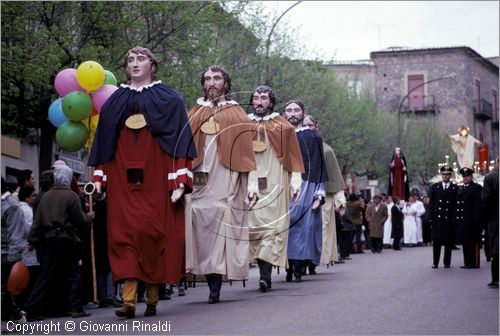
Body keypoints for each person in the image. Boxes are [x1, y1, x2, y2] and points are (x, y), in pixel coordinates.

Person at [88, 46, 196, 318]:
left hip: (158, 180)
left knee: (154, 237)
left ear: (153, 65)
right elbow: (105, 143)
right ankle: (127, 301)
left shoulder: (170, 99)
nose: (135, 64)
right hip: (123, 183)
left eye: (141, 59)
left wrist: (180, 182)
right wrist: (100, 178)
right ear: (126, 67)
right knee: (124, 238)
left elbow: (179, 143)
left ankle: (152, 298)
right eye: (130, 60)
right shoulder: (114, 101)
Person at [185, 65, 257, 303]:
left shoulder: (237, 114)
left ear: (226, 83)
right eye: (207, 79)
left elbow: (248, 156)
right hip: (199, 179)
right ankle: (207, 275)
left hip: (226, 180)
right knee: (200, 225)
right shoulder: (193, 113)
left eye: (217, 78)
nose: (212, 82)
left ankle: (215, 287)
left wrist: (250, 186)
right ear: (203, 84)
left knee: (219, 225)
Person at [247, 85, 304, 291]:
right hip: (250, 184)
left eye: (263, 98)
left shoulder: (283, 127)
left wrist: (295, 182)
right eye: (256, 98)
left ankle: (265, 275)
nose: (259, 101)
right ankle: (261, 266)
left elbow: (294, 158)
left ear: (271, 102)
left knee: (272, 230)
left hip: (276, 183)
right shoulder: (243, 124)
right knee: (253, 229)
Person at [25, 165, 94, 321]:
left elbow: (37, 222)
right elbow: (79, 220)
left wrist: (32, 241)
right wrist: (89, 217)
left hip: (49, 239)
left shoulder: (45, 197)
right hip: (65, 238)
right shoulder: (71, 196)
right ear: (69, 178)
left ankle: (32, 308)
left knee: (45, 274)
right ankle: (75, 308)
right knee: (73, 273)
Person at [283, 100, 328, 282]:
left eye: (296, 110)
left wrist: (319, 192)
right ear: (284, 113)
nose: (293, 113)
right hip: (282, 185)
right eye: (289, 110)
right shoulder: (278, 134)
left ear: (303, 113)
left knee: (303, 227)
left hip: (306, 184)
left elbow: (320, 166)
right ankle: (288, 265)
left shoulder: (313, 137)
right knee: (285, 227)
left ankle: (299, 267)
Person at [303, 115, 346, 269]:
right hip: (301, 192)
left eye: (310, 125)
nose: (308, 128)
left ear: (316, 127)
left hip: (324, 194)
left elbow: (334, 177)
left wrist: (339, 200)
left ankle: (317, 258)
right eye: (305, 125)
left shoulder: (327, 150)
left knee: (321, 226)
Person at [1, 178, 27, 324]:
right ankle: (17, 315)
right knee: (3, 290)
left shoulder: (10, 205)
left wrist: (13, 258)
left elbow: (16, 233)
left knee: (2, 289)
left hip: (5, 253)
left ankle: (17, 316)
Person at [428, 165, 458, 268]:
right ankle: (435, 262)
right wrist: (430, 218)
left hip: (449, 219)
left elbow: (455, 206)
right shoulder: (435, 187)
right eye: (444, 174)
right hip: (438, 219)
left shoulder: (455, 188)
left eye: (448, 174)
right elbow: (431, 204)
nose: (446, 176)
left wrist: (454, 219)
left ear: (450, 175)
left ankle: (447, 263)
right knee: (436, 242)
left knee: (448, 243)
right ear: (441, 175)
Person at [455, 167, 483, 269]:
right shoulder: (461, 188)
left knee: (473, 242)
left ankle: (474, 263)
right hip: (463, 220)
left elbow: (478, 205)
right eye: (464, 176)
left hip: (472, 220)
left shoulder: (476, 188)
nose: (465, 178)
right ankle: (467, 262)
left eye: (467, 176)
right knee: (465, 242)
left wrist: (478, 220)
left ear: (471, 176)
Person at [482, 158, 499, 287]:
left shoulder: (490, 177)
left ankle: (495, 279)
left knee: (496, 249)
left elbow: (486, 200)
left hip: (495, 218)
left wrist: (485, 219)